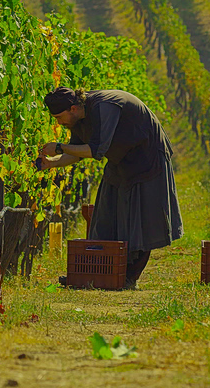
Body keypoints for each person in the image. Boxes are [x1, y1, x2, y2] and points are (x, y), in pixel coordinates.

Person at [38, 87, 183, 289]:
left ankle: (128, 278)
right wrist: (51, 162)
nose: (58, 122)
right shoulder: (77, 118)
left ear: (72, 108)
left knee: (140, 222)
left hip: (148, 158)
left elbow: (96, 150)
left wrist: (60, 147)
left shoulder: (103, 107)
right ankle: (98, 274)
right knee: (106, 215)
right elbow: (77, 153)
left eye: (59, 117)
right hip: (121, 159)